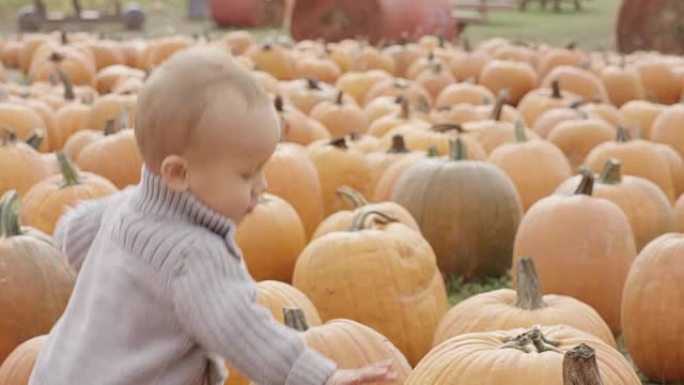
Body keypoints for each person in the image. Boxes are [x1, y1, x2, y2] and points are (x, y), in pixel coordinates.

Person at [30, 46, 396, 385]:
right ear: (179, 174)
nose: (261, 185)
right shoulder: (195, 253)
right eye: (246, 173)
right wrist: (320, 377)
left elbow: (69, 237)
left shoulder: (123, 206)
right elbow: (245, 333)